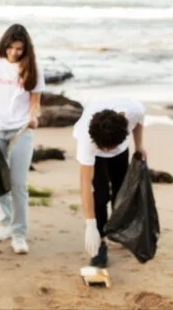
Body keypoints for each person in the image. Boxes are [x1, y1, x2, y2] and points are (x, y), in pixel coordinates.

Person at [0, 23, 44, 254]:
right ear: (4, 45)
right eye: (11, 48)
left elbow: (35, 102)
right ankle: (5, 225)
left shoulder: (32, 67)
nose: (14, 52)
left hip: (21, 130)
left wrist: (34, 117)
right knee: (0, 181)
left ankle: (19, 233)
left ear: (25, 49)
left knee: (18, 184)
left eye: (19, 49)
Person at [74, 97, 146, 268]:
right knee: (100, 194)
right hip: (95, 151)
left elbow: (139, 124)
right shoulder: (87, 140)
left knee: (121, 190)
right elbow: (85, 184)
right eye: (104, 148)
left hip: (120, 149)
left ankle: (117, 230)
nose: (107, 151)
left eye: (109, 148)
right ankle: (100, 241)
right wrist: (90, 225)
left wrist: (139, 146)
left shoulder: (135, 110)